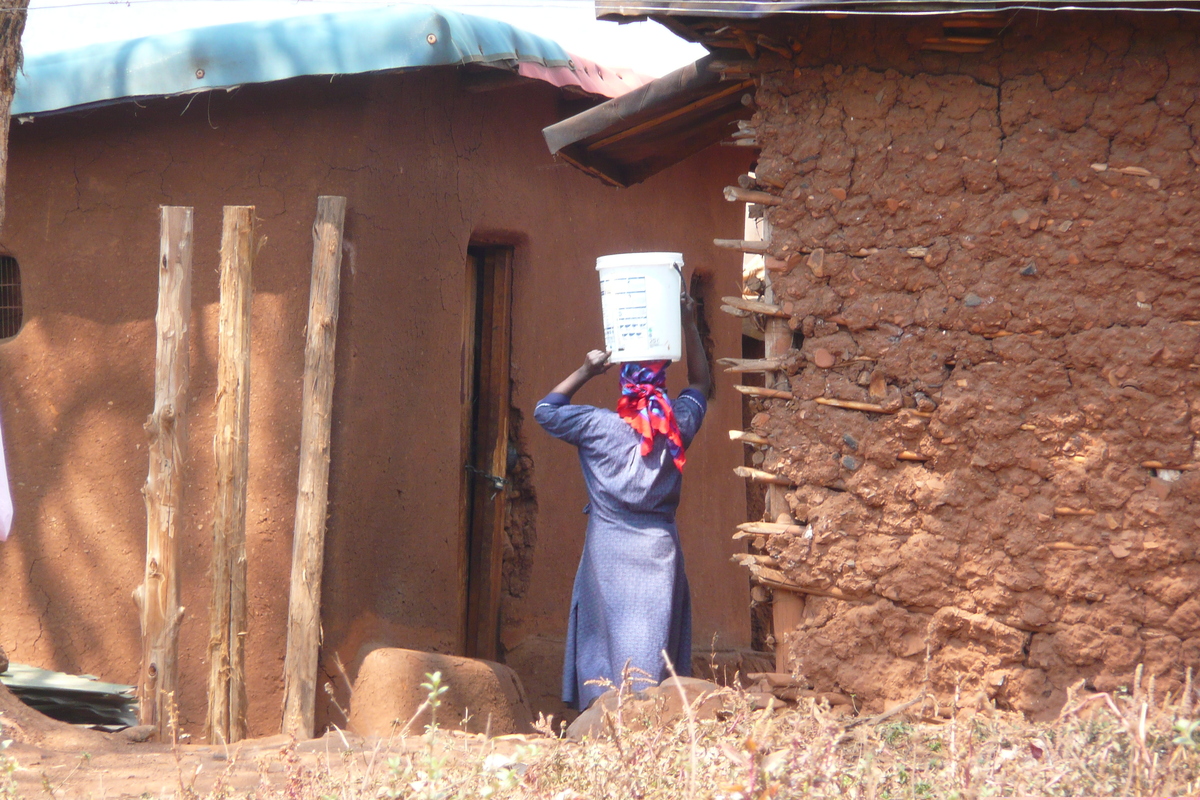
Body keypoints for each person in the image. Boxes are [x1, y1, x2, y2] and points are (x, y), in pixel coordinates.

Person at [534, 290, 712, 710]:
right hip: (658, 551)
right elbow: (702, 383)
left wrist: (585, 369)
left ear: (623, 384)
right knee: (653, 636)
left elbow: (546, 409)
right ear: (661, 384)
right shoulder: (678, 426)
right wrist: (689, 323)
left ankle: (600, 719)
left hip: (607, 551)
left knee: (604, 637)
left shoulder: (596, 427)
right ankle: (649, 722)